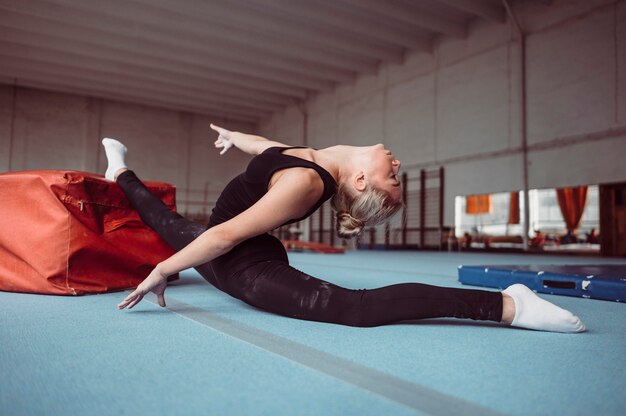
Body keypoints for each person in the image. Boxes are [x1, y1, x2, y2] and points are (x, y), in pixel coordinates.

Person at [104, 124, 586, 333]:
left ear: (359, 180)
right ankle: (118, 172)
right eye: (396, 172)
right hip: (235, 251)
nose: (396, 163)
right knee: (168, 221)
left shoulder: (304, 184)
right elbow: (266, 147)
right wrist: (236, 138)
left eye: (391, 175)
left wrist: (160, 271)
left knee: (356, 309)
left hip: (243, 266)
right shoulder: (305, 158)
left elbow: (225, 236)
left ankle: (507, 305)